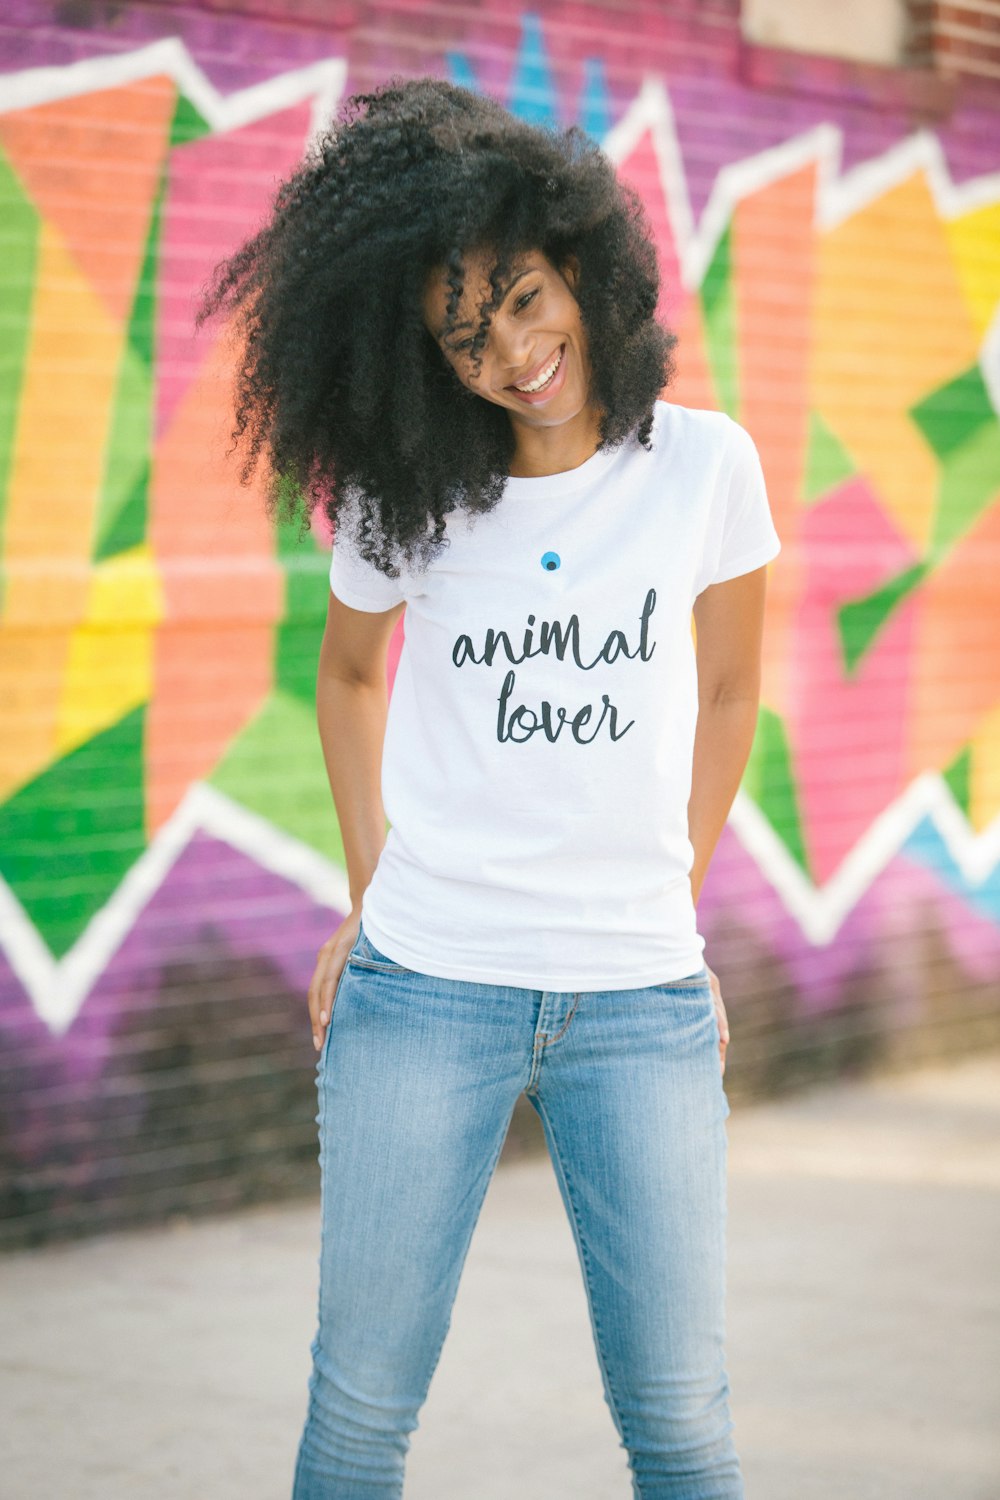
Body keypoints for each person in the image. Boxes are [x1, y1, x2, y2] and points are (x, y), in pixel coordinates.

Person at [198, 74, 780, 1500]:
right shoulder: (416, 501)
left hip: (639, 1002)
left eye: (524, 298)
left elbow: (725, 694)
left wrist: (673, 894)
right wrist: (368, 889)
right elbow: (344, 680)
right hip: (426, 989)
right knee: (357, 1421)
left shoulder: (704, 467)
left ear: (579, 260)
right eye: (464, 338)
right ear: (417, 368)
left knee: (686, 1429)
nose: (514, 351)